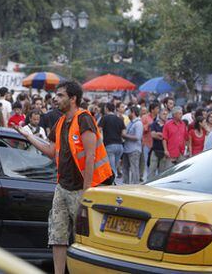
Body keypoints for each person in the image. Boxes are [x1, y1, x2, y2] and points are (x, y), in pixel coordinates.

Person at [14, 81, 112, 274]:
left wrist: (87, 193)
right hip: (62, 187)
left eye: (60, 95)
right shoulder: (60, 122)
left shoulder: (84, 119)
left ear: (73, 98)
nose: (55, 99)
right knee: (57, 237)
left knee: (84, 239)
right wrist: (28, 136)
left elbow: (91, 157)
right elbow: (51, 151)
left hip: (82, 189)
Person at [98, 102, 125, 176]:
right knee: (115, 167)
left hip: (109, 145)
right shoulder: (120, 119)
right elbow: (123, 133)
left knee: (111, 168)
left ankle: (113, 184)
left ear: (106, 109)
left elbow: (98, 131)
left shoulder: (104, 118)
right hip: (120, 146)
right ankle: (114, 182)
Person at [122, 106, 143, 184]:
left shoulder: (138, 123)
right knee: (125, 168)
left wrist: (125, 135)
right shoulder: (130, 123)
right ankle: (125, 184)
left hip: (134, 149)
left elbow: (138, 137)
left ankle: (135, 185)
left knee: (134, 169)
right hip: (127, 149)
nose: (127, 114)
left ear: (133, 112)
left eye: (129, 112)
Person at [140, 102, 159, 181]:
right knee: (148, 162)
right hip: (147, 143)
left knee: (156, 163)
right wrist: (148, 125)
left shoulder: (159, 118)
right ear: (152, 110)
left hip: (157, 144)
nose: (158, 110)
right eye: (157, 108)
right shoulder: (145, 117)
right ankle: (148, 179)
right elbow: (141, 129)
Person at [148, 108, 168, 179]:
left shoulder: (168, 125)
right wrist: (161, 135)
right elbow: (153, 135)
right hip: (155, 149)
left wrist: (159, 134)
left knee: (162, 172)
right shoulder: (154, 124)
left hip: (164, 151)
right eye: (163, 114)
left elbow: (167, 137)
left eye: (166, 114)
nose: (165, 116)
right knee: (151, 170)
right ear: (159, 114)